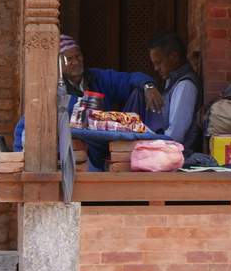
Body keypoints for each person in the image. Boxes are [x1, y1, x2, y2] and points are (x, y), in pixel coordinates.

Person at [12, 34, 161, 170]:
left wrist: (148, 86)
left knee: (139, 90)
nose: (76, 62)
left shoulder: (97, 78)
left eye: (78, 56)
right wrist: (19, 159)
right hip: (77, 155)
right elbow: (26, 125)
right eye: (69, 59)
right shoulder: (51, 90)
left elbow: (130, 79)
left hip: (108, 144)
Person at [144, 32, 201, 154]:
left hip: (177, 156)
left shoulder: (185, 85)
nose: (156, 68)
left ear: (174, 57)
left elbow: (175, 135)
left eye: (159, 62)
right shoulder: (171, 81)